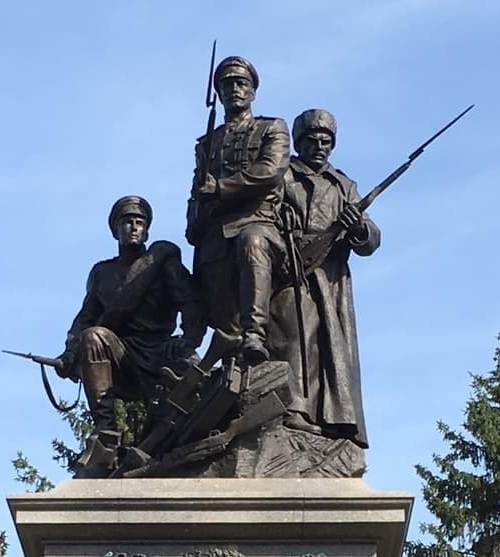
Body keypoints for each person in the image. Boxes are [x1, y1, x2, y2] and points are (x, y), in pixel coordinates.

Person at [57, 195, 205, 469]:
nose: (134, 227)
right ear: (115, 229)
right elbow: (85, 319)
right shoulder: (102, 273)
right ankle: (106, 435)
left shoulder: (163, 264)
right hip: (122, 356)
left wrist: (188, 340)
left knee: (199, 389)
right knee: (93, 336)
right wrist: (69, 352)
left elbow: (192, 303)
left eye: (140, 222)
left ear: (147, 229)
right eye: (127, 222)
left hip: (161, 353)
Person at [268, 109, 380, 449]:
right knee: (289, 335)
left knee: (323, 347)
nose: (320, 147)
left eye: (326, 142)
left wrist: (357, 226)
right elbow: (263, 212)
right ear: (299, 144)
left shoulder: (343, 185)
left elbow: (371, 239)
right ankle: (290, 407)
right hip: (290, 268)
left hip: (329, 278)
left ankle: (326, 420)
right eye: (313, 141)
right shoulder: (282, 176)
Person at [186, 56, 290, 364]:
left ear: (253, 91)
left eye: (241, 83)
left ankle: (254, 333)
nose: (234, 89)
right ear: (218, 92)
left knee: (252, 243)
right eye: (227, 84)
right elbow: (195, 189)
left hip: (258, 222)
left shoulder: (272, 128)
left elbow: (269, 171)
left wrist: (219, 188)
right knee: (218, 307)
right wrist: (193, 222)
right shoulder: (207, 142)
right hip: (215, 234)